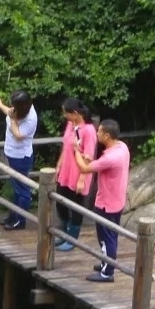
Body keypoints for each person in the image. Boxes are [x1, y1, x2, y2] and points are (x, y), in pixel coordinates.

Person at [74, 118, 130, 282]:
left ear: (107, 136)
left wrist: (76, 150)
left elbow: (84, 168)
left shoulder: (110, 158)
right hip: (117, 200)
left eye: (99, 131)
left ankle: (107, 273)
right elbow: (102, 165)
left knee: (106, 238)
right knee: (111, 236)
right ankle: (107, 262)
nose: (96, 133)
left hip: (106, 203)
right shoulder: (122, 147)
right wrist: (92, 160)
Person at [54, 98, 97, 252]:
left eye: (66, 113)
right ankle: (64, 232)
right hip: (66, 170)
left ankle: (72, 239)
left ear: (75, 113)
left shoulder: (89, 130)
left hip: (79, 172)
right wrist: (59, 164)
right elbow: (65, 146)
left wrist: (82, 179)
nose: (64, 116)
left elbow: (88, 157)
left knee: (76, 207)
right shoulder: (70, 124)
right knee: (60, 202)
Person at [0, 91, 37, 230]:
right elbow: (10, 112)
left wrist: (12, 120)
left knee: (22, 190)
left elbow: (18, 135)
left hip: (20, 157)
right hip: (12, 153)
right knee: (17, 189)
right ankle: (13, 216)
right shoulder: (19, 110)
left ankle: (20, 221)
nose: (12, 107)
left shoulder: (30, 119)